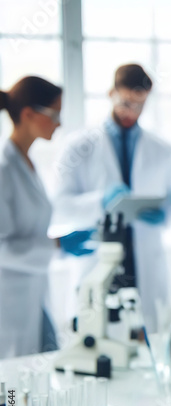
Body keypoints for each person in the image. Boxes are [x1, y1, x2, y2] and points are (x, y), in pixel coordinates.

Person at [52, 64, 171, 333]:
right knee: (97, 343)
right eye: (125, 103)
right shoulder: (78, 145)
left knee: (146, 348)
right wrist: (101, 201)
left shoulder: (163, 150)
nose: (131, 112)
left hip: (143, 263)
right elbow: (60, 206)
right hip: (97, 261)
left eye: (139, 105)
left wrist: (167, 213)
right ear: (111, 93)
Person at [0, 76, 94, 359]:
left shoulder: (26, 163)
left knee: (37, 379)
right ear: (28, 114)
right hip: (9, 303)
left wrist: (58, 245)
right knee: (12, 395)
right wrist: (57, 245)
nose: (60, 123)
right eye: (54, 114)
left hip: (33, 294)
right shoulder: (4, 169)